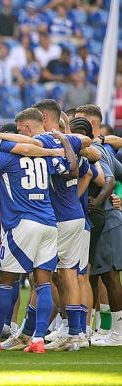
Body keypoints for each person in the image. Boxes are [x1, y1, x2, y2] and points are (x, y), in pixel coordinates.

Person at [0, 110, 71, 354]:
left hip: (21, 223)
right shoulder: (45, 150)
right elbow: (65, 168)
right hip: (48, 222)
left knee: (5, 281)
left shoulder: (7, 155)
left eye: (20, 129)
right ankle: (38, 339)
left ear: (26, 127)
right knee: (43, 282)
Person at [75, 105, 122, 347]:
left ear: (91, 125)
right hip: (102, 219)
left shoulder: (97, 149)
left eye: (80, 121)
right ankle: (97, 328)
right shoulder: (100, 148)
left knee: (110, 275)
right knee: (96, 274)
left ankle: (118, 331)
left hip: (107, 219)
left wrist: (98, 202)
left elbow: (112, 179)